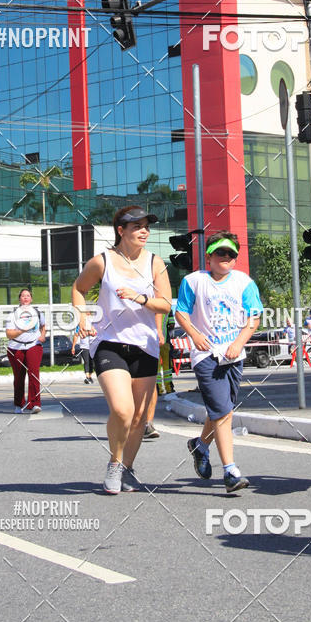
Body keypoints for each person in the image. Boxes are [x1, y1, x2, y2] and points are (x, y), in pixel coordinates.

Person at [72, 205, 171, 494]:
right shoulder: (102, 261)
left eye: (146, 226)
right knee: (122, 409)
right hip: (109, 343)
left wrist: (141, 298)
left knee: (140, 417)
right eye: (137, 226)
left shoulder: (155, 263)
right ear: (121, 231)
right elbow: (78, 288)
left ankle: (127, 469)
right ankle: (115, 463)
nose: (144, 231)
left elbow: (165, 304)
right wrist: (82, 316)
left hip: (146, 346)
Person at [176, 232, 262, 493]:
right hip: (205, 356)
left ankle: (200, 446)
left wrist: (239, 342)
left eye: (231, 254)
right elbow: (180, 312)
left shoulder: (244, 283)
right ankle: (230, 471)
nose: (226, 258)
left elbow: (254, 317)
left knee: (222, 410)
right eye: (221, 253)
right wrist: (195, 335)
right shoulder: (193, 281)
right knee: (223, 412)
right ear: (209, 256)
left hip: (234, 355)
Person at [6, 288, 46, 413]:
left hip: (33, 345)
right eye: (23, 296)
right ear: (19, 299)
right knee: (19, 377)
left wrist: (42, 335)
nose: (25, 298)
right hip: (16, 348)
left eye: (28, 296)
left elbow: (43, 326)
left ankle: (35, 404)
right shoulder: (13, 314)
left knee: (34, 374)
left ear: (31, 299)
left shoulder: (37, 313)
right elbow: (9, 334)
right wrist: (21, 331)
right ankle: (19, 404)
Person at [156, 305, 175, 396]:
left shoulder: (151, 307)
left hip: (154, 343)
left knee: (157, 367)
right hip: (165, 341)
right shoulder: (167, 308)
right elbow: (172, 325)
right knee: (167, 366)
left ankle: (158, 389)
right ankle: (169, 388)